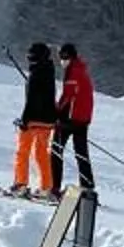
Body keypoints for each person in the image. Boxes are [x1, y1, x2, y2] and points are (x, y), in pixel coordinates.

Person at [12, 41, 61, 199]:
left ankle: (21, 184)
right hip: (48, 121)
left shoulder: (35, 75)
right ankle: (46, 186)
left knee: (22, 152)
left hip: (33, 120)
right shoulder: (49, 72)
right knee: (41, 153)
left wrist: (24, 120)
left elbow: (32, 100)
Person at [51, 41, 97, 196]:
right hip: (83, 119)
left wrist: (57, 111)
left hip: (71, 118)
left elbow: (68, 95)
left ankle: (54, 187)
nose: (61, 62)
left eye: (62, 58)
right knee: (81, 152)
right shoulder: (81, 69)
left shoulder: (73, 71)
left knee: (56, 149)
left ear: (67, 57)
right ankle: (87, 185)